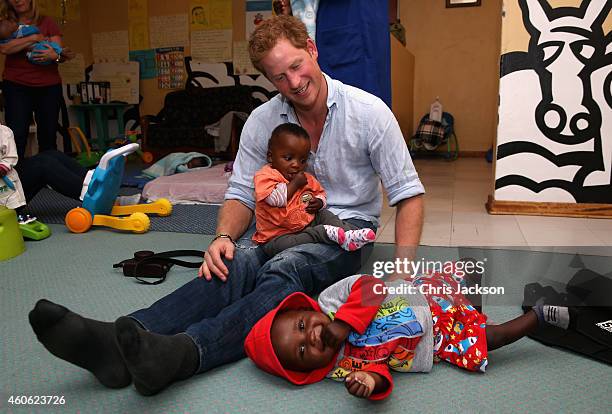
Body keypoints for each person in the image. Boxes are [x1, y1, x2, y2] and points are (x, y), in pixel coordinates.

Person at [27, 15, 424, 396]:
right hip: (276, 229)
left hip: (343, 230)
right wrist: (221, 237)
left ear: (312, 49)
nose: (295, 82)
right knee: (236, 262)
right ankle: (120, 339)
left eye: (297, 66)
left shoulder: (370, 113)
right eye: (279, 77)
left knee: (285, 267)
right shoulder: (261, 120)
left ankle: (184, 353)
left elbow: (408, 196)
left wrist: (403, 274)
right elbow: (240, 195)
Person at [245, 269, 574, 400]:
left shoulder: (331, 301)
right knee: (490, 339)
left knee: (462, 298)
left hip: (422, 298)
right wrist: (372, 383)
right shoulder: (341, 367)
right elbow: (377, 367)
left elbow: (372, 286)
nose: (312, 338)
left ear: (307, 309)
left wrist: (343, 322)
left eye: (303, 326)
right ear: (307, 370)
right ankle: (538, 316)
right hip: (436, 341)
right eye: (303, 351)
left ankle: (475, 281)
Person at [254, 122, 376, 257]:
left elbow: (315, 194)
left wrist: (318, 202)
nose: (296, 165)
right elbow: (274, 199)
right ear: (271, 156)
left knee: (324, 214)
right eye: (288, 158)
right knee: (293, 242)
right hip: (278, 236)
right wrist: (295, 184)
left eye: (302, 160)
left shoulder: (305, 178)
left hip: (304, 223)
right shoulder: (266, 176)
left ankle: (349, 233)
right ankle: (325, 233)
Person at [0, 0, 74, 160]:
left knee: (48, 136)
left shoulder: (47, 22)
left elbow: (58, 53)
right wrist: (34, 37)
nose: (18, 0)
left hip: (48, 86)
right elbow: (5, 48)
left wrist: (55, 55)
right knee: (17, 136)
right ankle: (16, 181)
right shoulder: (6, 24)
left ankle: (51, 177)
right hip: (16, 85)